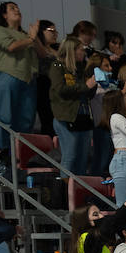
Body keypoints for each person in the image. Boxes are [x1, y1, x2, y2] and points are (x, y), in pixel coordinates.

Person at [0, 1, 43, 153]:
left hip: (28, 79)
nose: (17, 10)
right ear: (4, 15)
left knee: (26, 121)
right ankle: (3, 153)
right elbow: (11, 47)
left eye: (18, 8)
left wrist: (34, 37)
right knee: (6, 117)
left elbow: (43, 53)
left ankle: (20, 156)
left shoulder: (27, 35)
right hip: (6, 75)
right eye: (12, 9)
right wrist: (30, 39)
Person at [48, 37, 98, 174]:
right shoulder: (57, 66)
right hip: (66, 117)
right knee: (70, 156)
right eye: (81, 50)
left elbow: (87, 93)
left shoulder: (80, 70)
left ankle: (78, 191)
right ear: (72, 51)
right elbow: (61, 90)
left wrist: (93, 85)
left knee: (83, 159)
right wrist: (85, 86)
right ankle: (65, 191)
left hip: (83, 117)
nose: (84, 53)